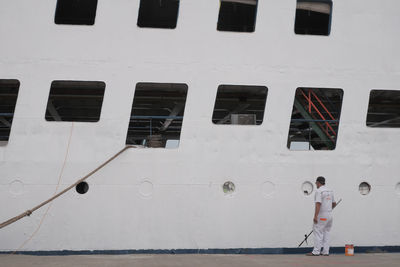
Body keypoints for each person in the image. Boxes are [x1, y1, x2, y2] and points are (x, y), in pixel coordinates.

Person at [306, 176, 336, 256]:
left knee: (318, 232)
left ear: (318, 182)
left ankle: (316, 251)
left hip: (322, 215)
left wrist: (315, 216)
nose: (316, 184)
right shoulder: (330, 191)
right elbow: (334, 203)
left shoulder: (319, 191)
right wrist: (329, 209)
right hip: (329, 215)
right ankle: (325, 251)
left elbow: (318, 204)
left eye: (316, 182)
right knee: (327, 232)